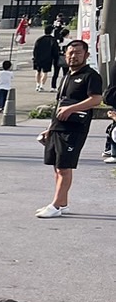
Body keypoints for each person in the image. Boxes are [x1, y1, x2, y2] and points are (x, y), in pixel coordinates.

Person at [35, 39, 102, 219]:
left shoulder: (90, 76)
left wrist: (72, 109)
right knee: (57, 167)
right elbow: (59, 104)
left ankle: (56, 205)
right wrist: (50, 128)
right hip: (58, 126)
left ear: (86, 55)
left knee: (64, 167)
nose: (73, 56)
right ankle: (62, 203)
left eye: (78, 53)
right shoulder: (67, 76)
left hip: (74, 128)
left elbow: (96, 99)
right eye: (70, 53)